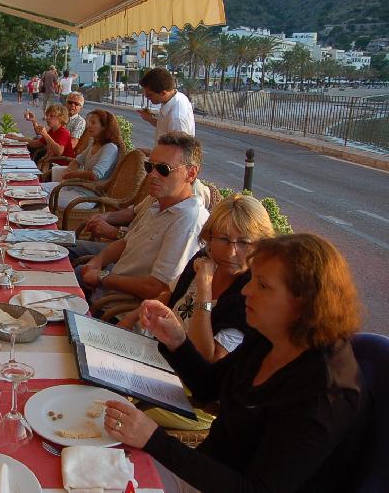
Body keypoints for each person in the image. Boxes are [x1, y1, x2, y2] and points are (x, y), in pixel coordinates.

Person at [104, 234, 366, 493]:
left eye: (263, 286)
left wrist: (154, 440)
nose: (246, 291)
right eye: (252, 279)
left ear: (304, 302)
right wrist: (177, 341)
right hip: (202, 471)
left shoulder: (325, 391)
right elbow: (208, 386)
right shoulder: (271, 336)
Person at [77, 132, 209, 317]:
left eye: (163, 169)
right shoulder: (158, 203)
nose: (152, 175)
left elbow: (158, 288)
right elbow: (125, 243)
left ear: (191, 173)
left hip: (117, 313)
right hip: (103, 294)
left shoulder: (188, 220)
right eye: (149, 166)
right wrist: (96, 262)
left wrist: (103, 277)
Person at [145, 194, 275, 359]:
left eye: (244, 242)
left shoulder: (250, 295)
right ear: (209, 237)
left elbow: (208, 358)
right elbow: (171, 296)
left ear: (261, 246)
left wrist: (204, 290)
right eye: (223, 239)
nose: (231, 252)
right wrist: (131, 320)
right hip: (154, 351)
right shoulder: (204, 258)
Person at [41, 109, 120, 209]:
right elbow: (77, 161)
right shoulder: (94, 144)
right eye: (89, 122)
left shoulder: (110, 148)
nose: (89, 126)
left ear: (105, 127)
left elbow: (95, 175)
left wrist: (71, 175)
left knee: (40, 199)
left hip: (86, 197)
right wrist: (69, 170)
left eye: (93, 123)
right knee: (36, 189)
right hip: (73, 187)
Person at [137, 67, 195, 144]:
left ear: (163, 93)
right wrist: (150, 119)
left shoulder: (176, 119)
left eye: (150, 95)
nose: (146, 96)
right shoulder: (176, 97)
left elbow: (178, 150)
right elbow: (164, 126)